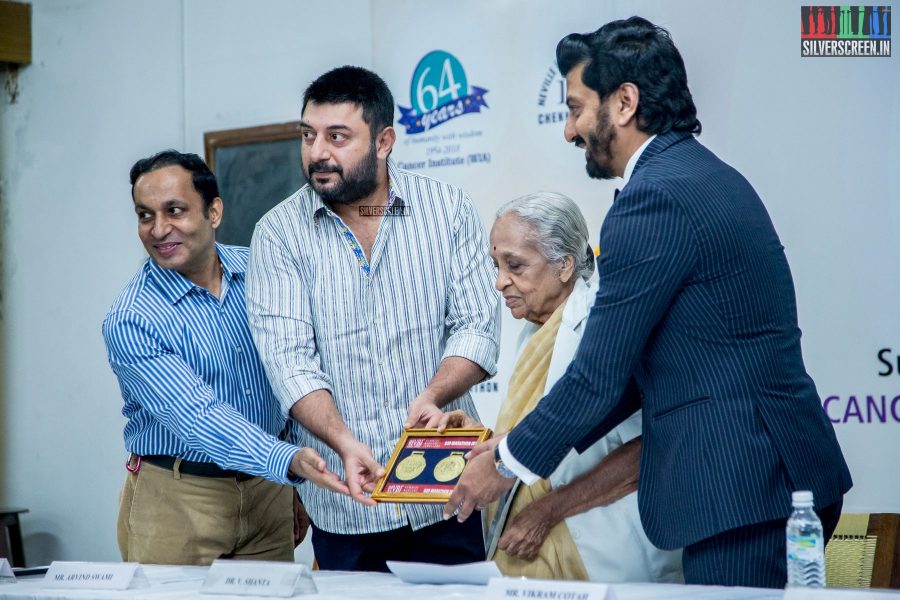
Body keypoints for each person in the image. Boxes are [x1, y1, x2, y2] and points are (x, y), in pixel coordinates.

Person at [447, 17, 852, 588]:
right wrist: (509, 445)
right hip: (768, 475)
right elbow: (630, 381)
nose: (569, 130)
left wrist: (505, 465)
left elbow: (597, 377)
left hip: (743, 485)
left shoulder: (652, 199)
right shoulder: (701, 176)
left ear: (624, 103)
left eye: (576, 108)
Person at [245, 66, 499, 572]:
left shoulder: (446, 210)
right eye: (308, 135)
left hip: (444, 487)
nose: (318, 152)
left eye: (337, 136)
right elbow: (288, 362)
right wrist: (342, 440)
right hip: (347, 502)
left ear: (384, 141)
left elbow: (477, 326)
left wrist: (433, 396)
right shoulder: (277, 234)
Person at [103, 150, 346, 565]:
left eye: (174, 210)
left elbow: (296, 368)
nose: (159, 230)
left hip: (268, 493)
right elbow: (199, 417)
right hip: (179, 500)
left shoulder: (261, 272)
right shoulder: (131, 320)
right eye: (145, 216)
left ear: (213, 211)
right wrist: (289, 462)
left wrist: (291, 484)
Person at [440, 192, 682, 582]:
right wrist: (480, 440)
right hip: (528, 559)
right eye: (496, 265)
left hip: (603, 553)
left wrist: (549, 510)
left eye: (515, 265)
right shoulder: (533, 333)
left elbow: (646, 450)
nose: (500, 282)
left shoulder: (601, 332)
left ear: (565, 265)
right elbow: (543, 435)